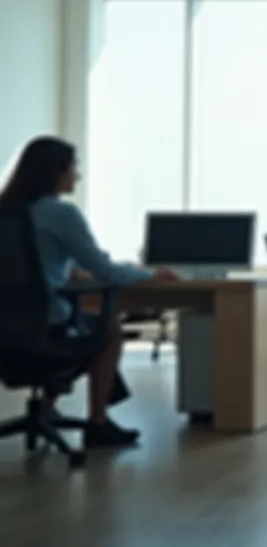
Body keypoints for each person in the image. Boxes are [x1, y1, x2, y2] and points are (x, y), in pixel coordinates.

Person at [0, 136, 177, 447]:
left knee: (80, 324)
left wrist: (69, 272)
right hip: (45, 324)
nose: (77, 175)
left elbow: (29, 265)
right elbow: (106, 271)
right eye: (73, 167)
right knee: (107, 330)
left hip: (7, 328)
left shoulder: (7, 212)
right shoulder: (61, 213)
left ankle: (47, 408)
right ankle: (98, 423)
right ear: (55, 172)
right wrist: (151, 274)